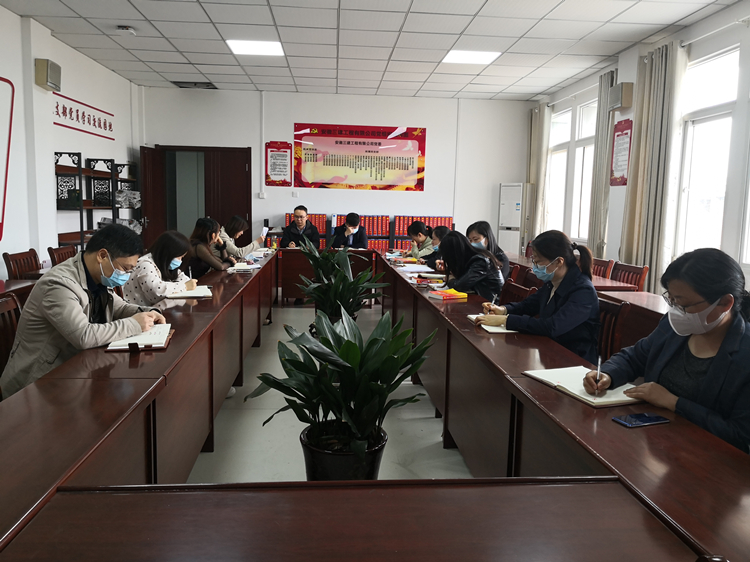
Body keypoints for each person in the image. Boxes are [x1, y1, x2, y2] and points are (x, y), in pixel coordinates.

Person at [583, 248, 750, 453]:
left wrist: (674, 403)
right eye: (672, 301)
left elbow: (740, 436)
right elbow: (635, 356)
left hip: (704, 457)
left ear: (725, 303)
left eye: (684, 304)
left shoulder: (744, 354)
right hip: (657, 444)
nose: (677, 312)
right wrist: (607, 374)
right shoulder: (675, 326)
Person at [0, 224, 165, 399]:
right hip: (35, 386)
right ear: (102, 256)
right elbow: (83, 336)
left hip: (74, 372)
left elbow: (120, 307)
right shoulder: (58, 284)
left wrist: (150, 312)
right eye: (125, 269)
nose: (126, 275)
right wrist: (134, 324)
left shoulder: (97, 276)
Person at [478, 230, 599, 364]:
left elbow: (552, 326)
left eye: (539, 262)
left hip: (574, 360)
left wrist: (505, 320)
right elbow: (529, 305)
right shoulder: (552, 282)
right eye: (534, 261)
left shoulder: (583, 291)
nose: (534, 267)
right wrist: (503, 310)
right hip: (549, 351)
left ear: (559, 261)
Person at [123, 230, 198, 307]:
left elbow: (185, 280)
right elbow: (157, 292)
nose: (180, 261)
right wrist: (184, 286)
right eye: (179, 257)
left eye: (182, 257)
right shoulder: (145, 264)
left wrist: (181, 286)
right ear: (168, 253)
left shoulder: (163, 264)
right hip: (136, 311)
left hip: (152, 309)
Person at [439, 231, 504, 301]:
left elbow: (460, 286)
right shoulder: (473, 258)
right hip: (479, 299)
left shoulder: (481, 261)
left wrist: (450, 280)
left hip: (490, 303)